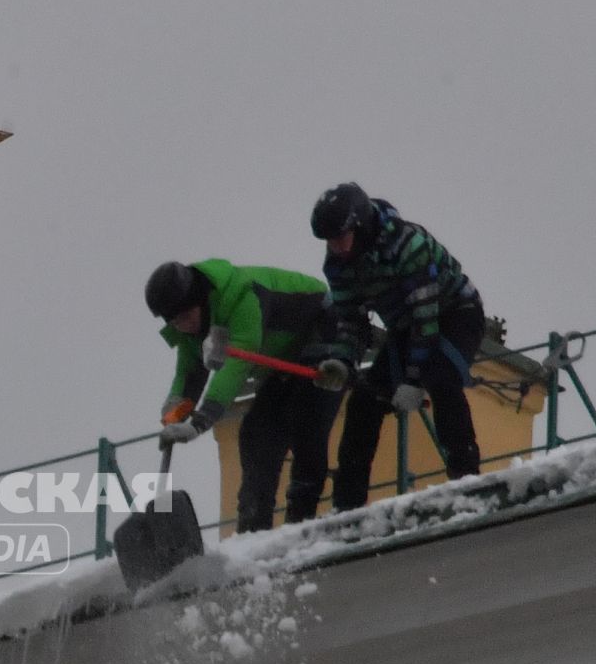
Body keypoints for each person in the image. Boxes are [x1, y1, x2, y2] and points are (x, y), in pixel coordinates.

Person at [310, 182, 486, 510]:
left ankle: (466, 476)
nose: (335, 247)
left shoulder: (408, 245)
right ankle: (347, 505)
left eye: (339, 237)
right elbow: (352, 321)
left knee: (442, 376)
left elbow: (427, 319)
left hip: (454, 312)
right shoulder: (337, 264)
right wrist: (343, 361)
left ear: (359, 226)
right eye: (329, 240)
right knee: (364, 399)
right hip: (407, 329)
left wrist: (413, 381)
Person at [145, 259, 350, 532]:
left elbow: (234, 369)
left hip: (323, 336)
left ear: (200, 300)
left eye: (184, 317)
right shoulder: (193, 329)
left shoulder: (242, 297)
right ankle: (253, 529)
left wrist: (199, 423)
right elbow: (189, 374)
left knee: (307, 420)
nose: (182, 326)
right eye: (174, 321)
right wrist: (175, 411)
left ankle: (301, 523)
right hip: (283, 358)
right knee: (256, 434)